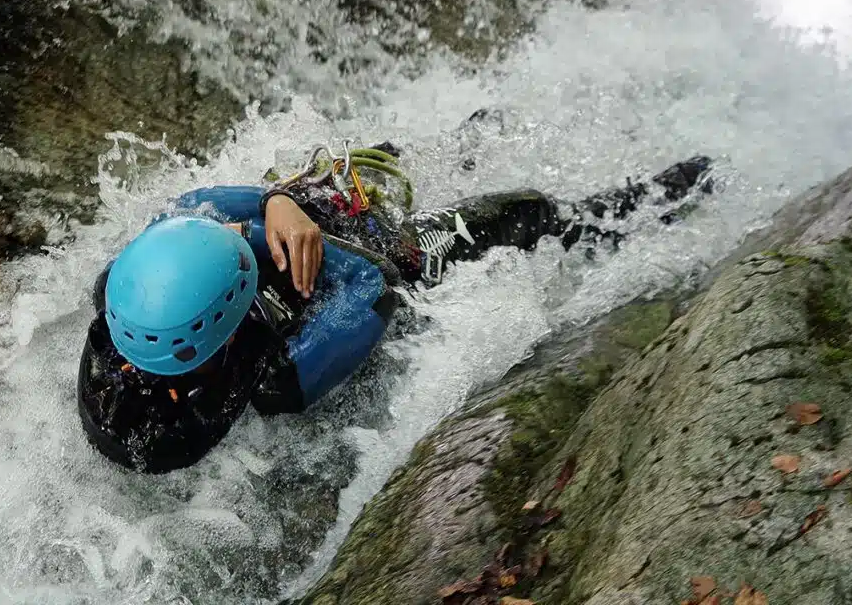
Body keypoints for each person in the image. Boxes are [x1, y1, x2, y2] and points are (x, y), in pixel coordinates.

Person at [77, 143, 719, 473]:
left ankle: (460, 144)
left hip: (278, 249)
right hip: (371, 259)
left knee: (381, 160)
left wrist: (275, 200)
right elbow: (374, 286)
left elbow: (184, 213)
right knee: (519, 211)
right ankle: (633, 213)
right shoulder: (280, 378)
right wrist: (284, 236)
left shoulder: (123, 311)